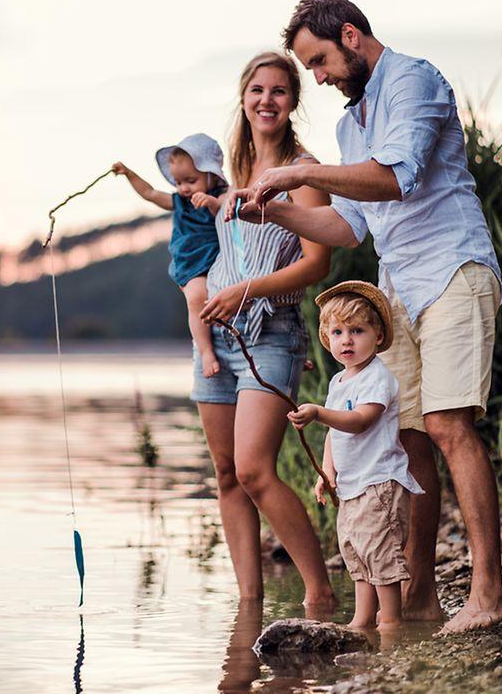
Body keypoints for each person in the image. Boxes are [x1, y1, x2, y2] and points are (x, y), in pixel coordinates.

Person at [231, 0, 502, 632]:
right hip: (397, 289)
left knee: (447, 425)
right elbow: (346, 224)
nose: (321, 77)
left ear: (352, 36)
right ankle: (417, 599)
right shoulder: (348, 127)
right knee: (406, 438)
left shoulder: (414, 80)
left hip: (452, 270)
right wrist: (272, 209)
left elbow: (398, 176)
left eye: (321, 61)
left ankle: (490, 592)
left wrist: (296, 173)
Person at [195, 52, 334, 605]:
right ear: (244, 97)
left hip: (272, 333)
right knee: (227, 475)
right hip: (217, 337)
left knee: (255, 470)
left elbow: (318, 263)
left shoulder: (304, 172)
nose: (266, 100)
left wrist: (246, 290)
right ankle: (248, 607)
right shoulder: (235, 175)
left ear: (293, 101)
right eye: (257, 89)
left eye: (279, 90)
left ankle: (319, 592)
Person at [288, 281, 424, 630]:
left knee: (381, 555)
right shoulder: (338, 382)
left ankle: (391, 623)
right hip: (352, 487)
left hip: (379, 484)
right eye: (338, 331)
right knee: (358, 553)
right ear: (327, 338)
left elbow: (361, 421)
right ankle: (362, 621)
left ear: (378, 336)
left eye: (357, 330)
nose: (346, 339)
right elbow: (336, 435)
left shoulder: (377, 377)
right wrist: (327, 471)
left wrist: (318, 412)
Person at [113, 134, 227, 377]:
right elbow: (150, 193)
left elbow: (229, 212)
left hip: (221, 261)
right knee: (197, 297)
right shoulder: (179, 201)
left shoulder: (221, 196)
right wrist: (129, 173)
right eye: (178, 182)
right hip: (193, 264)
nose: (184, 188)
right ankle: (206, 351)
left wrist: (211, 203)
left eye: (191, 180)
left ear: (212, 175)